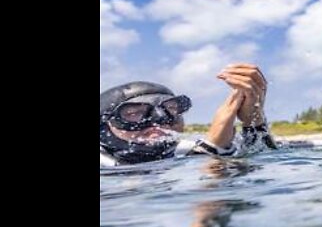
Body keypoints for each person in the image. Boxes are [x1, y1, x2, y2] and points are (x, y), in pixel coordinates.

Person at [99, 64, 275, 167]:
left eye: (170, 109)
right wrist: (214, 150)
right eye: (133, 113)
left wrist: (254, 120)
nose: (160, 119)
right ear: (104, 126)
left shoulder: (183, 152)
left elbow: (264, 163)